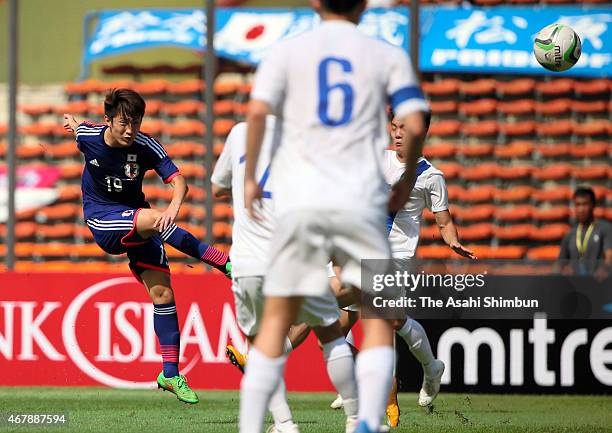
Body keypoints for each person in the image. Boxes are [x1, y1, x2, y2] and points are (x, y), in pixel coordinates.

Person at [240, 0, 429, 431]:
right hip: (359, 200)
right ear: (364, 5)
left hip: (302, 198)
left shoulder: (289, 51)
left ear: (314, 3)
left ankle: (251, 425)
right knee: (377, 315)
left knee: (278, 319)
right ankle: (368, 420)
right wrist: (404, 181)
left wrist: (250, 179)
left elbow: (256, 112)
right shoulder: (386, 54)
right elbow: (415, 124)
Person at [63, 88, 232, 405]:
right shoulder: (89, 136)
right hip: (103, 218)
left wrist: (173, 207)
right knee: (154, 220)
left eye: (136, 123)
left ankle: (170, 373)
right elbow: (78, 129)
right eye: (124, 123)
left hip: (138, 217)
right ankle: (225, 262)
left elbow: (179, 181)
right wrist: (72, 122)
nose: (130, 130)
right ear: (108, 120)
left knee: (163, 294)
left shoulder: (144, 145)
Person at [212, 117, 360, 433]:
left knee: (261, 351)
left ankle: (286, 425)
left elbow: (217, 187)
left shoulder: (240, 132)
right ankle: (357, 419)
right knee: (331, 335)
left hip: (251, 262)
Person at [558, 186, 612, 277]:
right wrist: (565, 270)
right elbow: (560, 263)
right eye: (578, 204)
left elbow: (609, 256)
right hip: (576, 286)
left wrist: (605, 268)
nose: (581, 209)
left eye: (585, 204)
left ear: (593, 205)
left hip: (599, 284)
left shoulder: (605, 229)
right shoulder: (570, 234)